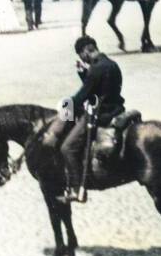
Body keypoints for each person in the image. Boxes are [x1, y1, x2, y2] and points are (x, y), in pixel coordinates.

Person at [45, 36, 125, 202]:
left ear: (85, 52)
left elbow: (82, 97)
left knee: (67, 147)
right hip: (116, 108)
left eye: (82, 55)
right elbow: (100, 88)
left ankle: (76, 189)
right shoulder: (111, 64)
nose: (83, 59)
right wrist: (84, 75)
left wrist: (65, 106)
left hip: (100, 113)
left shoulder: (96, 70)